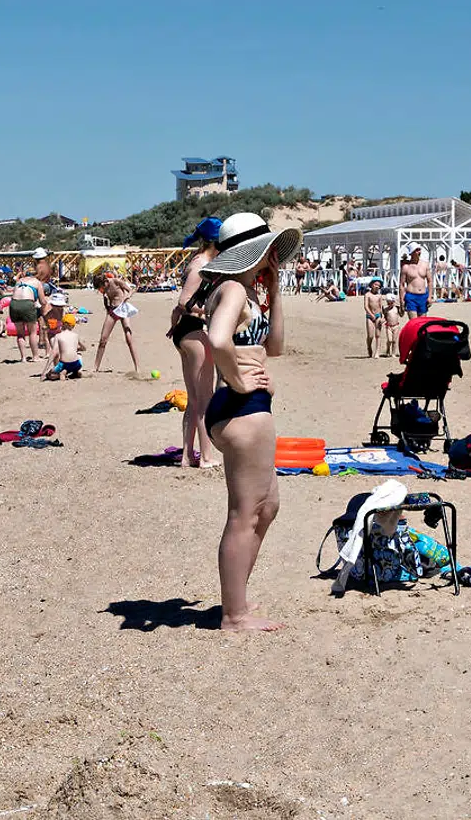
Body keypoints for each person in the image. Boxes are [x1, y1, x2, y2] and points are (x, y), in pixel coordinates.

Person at [199, 212, 301, 633]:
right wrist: (240, 381)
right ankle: (234, 614)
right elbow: (218, 340)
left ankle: (236, 597)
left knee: (266, 506)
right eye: (267, 250)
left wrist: (275, 292)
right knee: (245, 513)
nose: (272, 257)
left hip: (246, 405)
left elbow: (274, 348)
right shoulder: (233, 289)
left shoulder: (244, 291)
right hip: (241, 406)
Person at [168, 216, 221, 468]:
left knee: (194, 399)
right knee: (204, 398)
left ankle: (188, 456)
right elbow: (184, 301)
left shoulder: (198, 261)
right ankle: (206, 457)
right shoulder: (202, 265)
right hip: (194, 332)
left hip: (185, 332)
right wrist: (213, 311)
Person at [92, 271, 140, 374]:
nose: (101, 290)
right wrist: (106, 306)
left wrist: (127, 296)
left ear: (105, 281)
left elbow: (131, 289)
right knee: (103, 339)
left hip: (123, 309)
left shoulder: (116, 281)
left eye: (101, 287)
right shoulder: (103, 289)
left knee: (128, 337)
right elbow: (106, 300)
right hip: (112, 311)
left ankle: (137, 367)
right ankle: (95, 367)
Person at [8, 263, 48, 364]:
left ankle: (23, 358)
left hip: (14, 304)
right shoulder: (37, 282)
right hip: (27, 304)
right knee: (32, 333)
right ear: (36, 274)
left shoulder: (19, 281)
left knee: (20, 333)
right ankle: (35, 357)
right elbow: (43, 301)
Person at [42, 313, 84, 380]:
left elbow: (53, 353)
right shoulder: (76, 335)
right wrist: (77, 349)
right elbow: (84, 348)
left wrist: (45, 370)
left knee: (49, 374)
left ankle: (62, 373)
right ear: (73, 326)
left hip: (64, 364)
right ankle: (77, 371)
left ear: (62, 324)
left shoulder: (58, 336)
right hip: (76, 363)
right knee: (79, 355)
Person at [399, 247, 431, 319]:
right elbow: (402, 284)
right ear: (411, 253)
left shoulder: (425, 265)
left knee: (422, 322)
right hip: (411, 297)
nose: (419, 252)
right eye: (417, 250)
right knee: (414, 322)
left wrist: (429, 297)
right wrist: (401, 300)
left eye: (419, 250)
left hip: (423, 296)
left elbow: (430, 281)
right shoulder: (406, 267)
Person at [363, 278, 386, 358]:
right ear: (372, 285)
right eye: (375, 284)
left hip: (378, 315)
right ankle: (369, 346)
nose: (377, 286)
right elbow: (366, 306)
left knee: (378, 335)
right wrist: (371, 314)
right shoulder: (367, 295)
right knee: (370, 335)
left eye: (378, 285)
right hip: (370, 316)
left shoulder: (379, 295)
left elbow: (381, 306)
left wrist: (383, 317)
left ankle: (377, 352)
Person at [381, 293, 401, 358]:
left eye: (391, 303)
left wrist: (401, 307)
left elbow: (401, 314)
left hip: (396, 326)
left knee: (394, 340)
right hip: (388, 326)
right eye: (388, 303)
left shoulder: (396, 308)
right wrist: (382, 321)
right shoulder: (386, 309)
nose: (390, 304)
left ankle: (393, 353)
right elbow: (385, 317)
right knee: (389, 340)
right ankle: (387, 350)